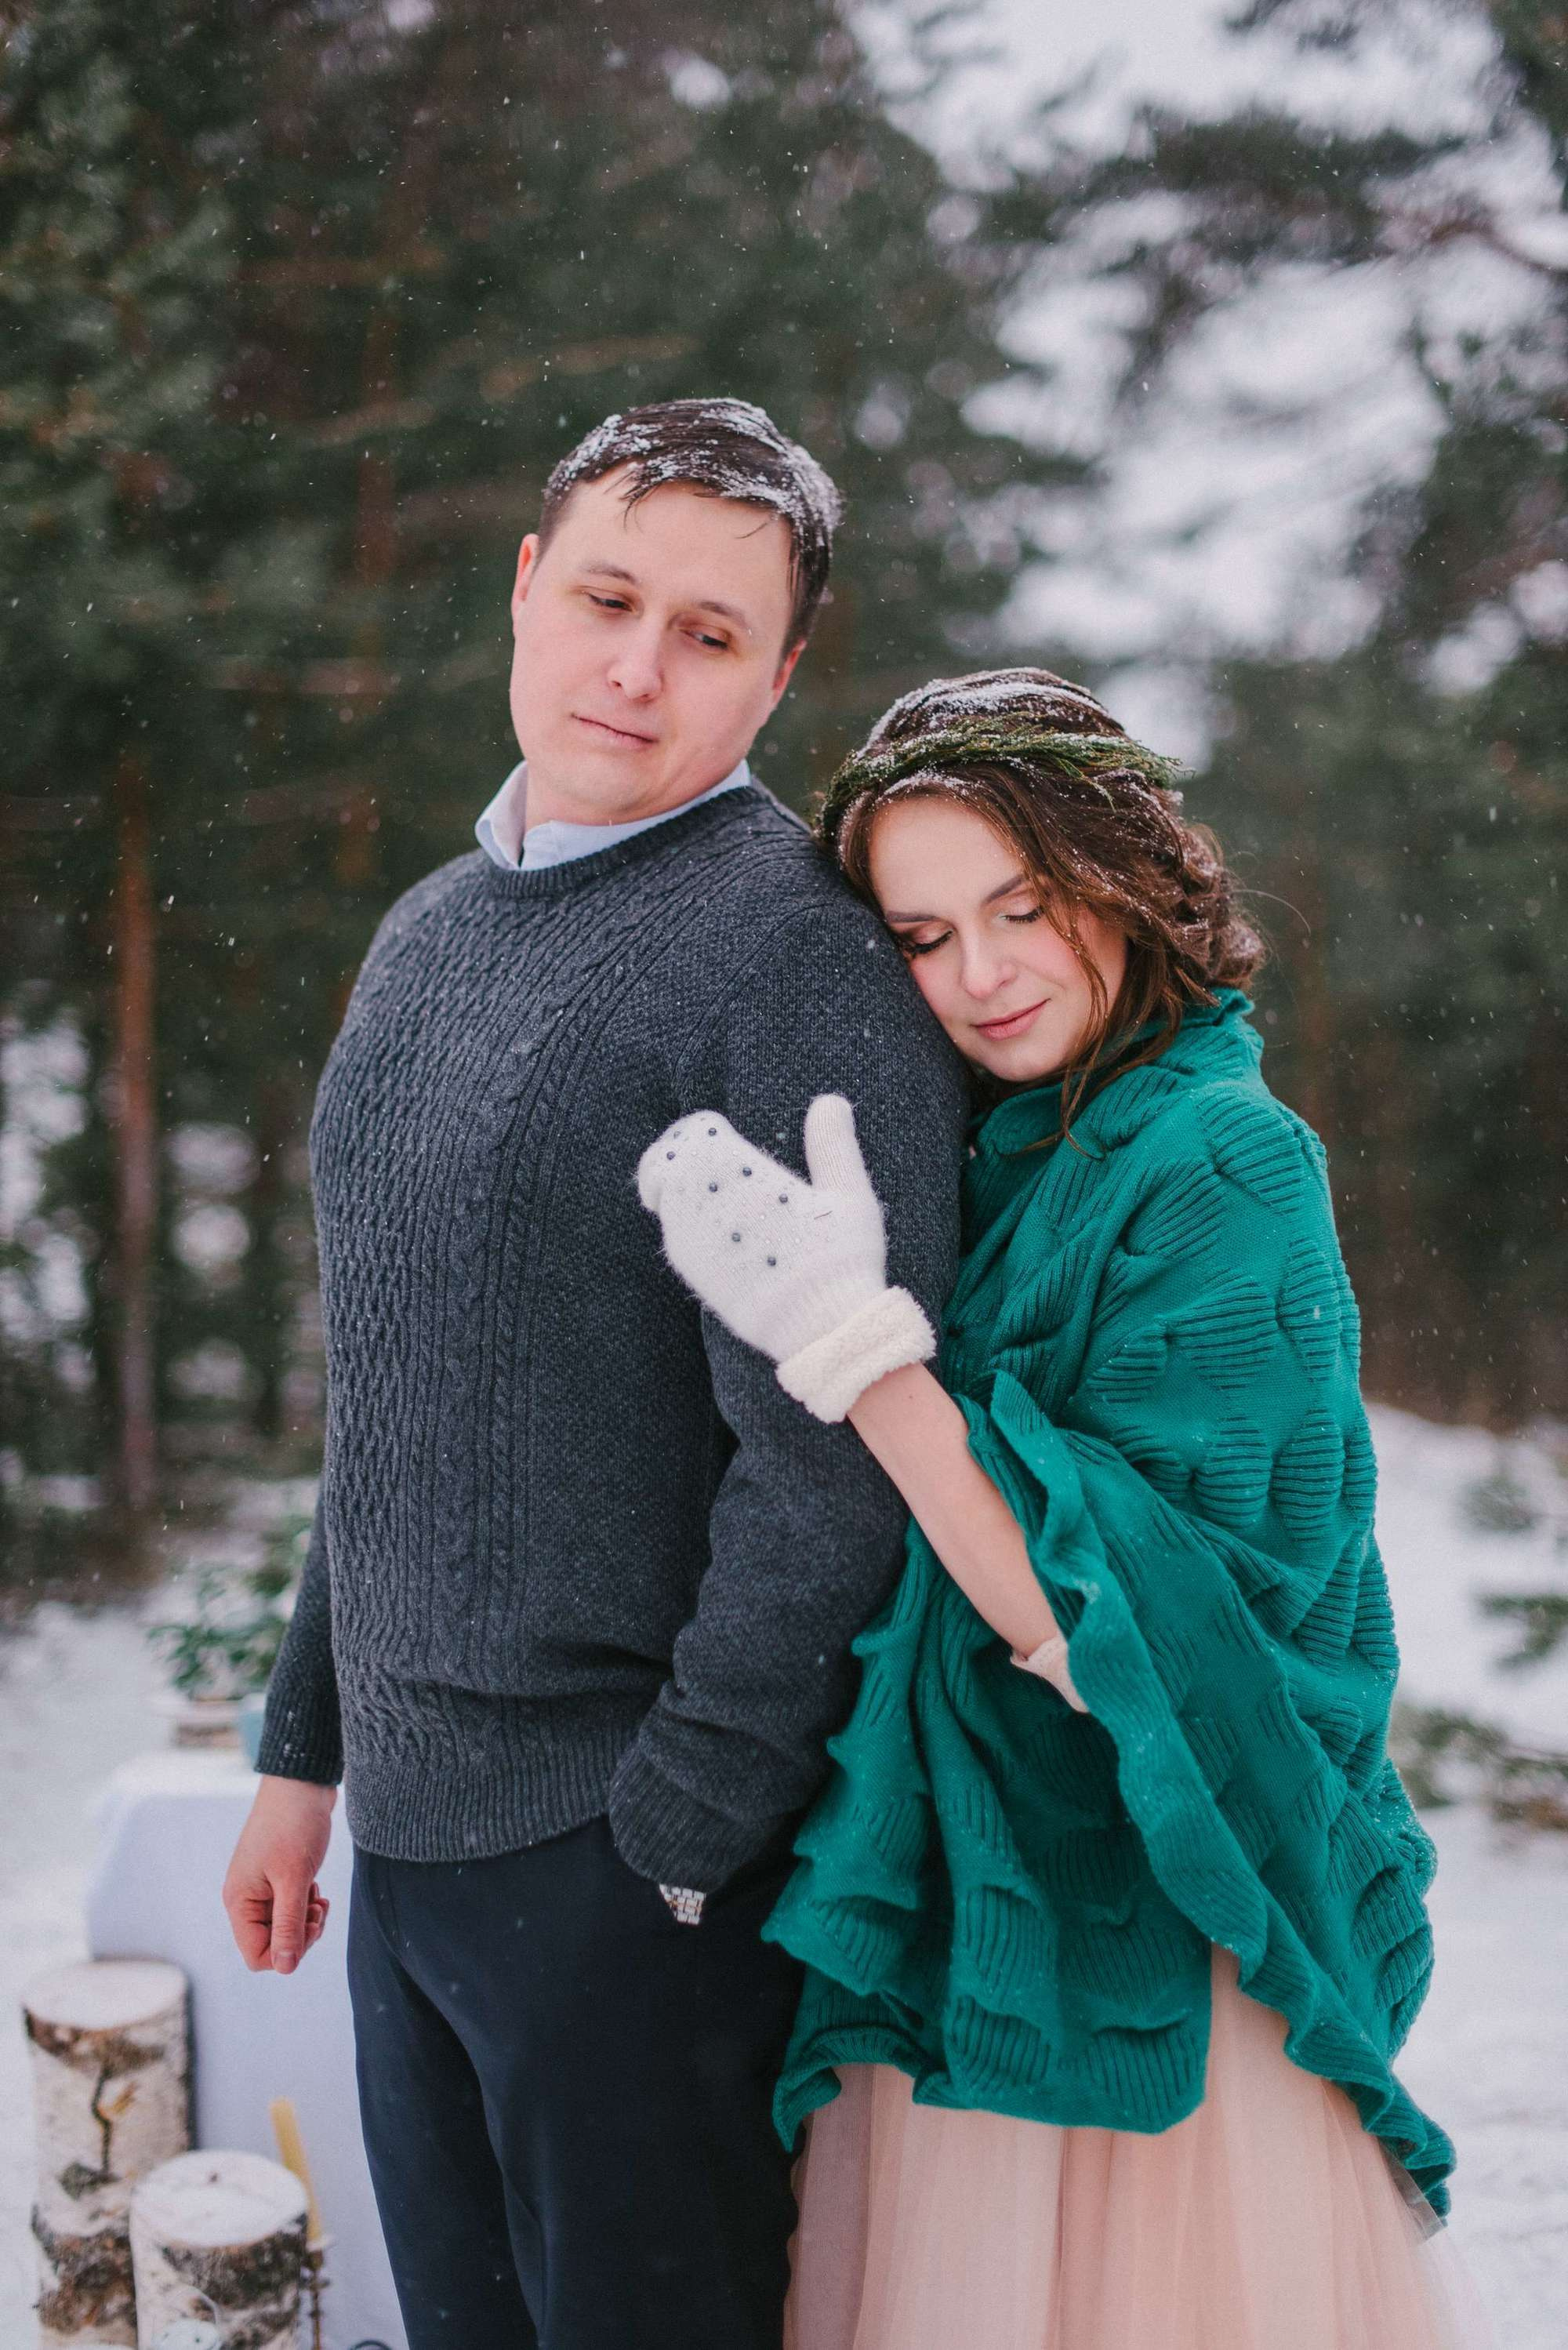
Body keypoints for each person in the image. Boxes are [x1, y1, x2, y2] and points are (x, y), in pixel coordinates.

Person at [220, 398, 969, 2350]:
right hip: (412, 1846)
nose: (638, 666)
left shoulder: (786, 958)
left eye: (710, 633)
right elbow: (390, 1380)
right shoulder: (430, 932)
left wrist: (674, 1839)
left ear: (780, 672)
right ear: (530, 587)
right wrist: (305, 1746)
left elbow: (837, 1454)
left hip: (623, 1867)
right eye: (611, 596)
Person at [639, 667, 1489, 2350]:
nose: (982, 974)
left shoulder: (1224, 1158)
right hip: (980, 1886)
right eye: (924, 934)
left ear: (1124, 874)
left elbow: (1133, 1639)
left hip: (1158, 1916)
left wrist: (864, 1354)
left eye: (1021, 906)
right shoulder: (998, 1144)